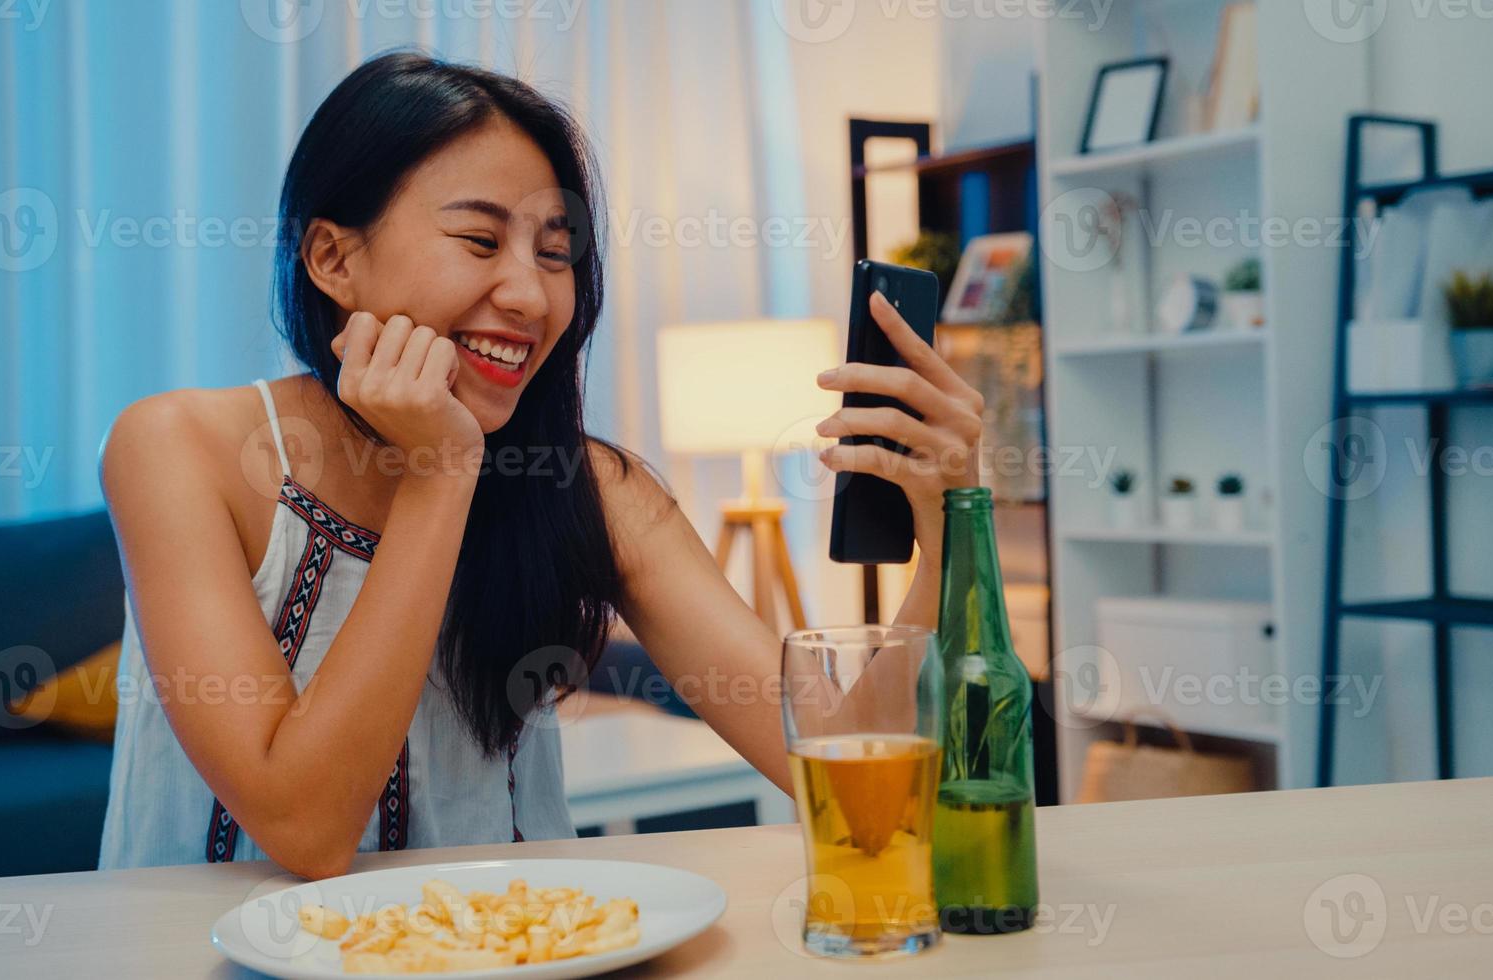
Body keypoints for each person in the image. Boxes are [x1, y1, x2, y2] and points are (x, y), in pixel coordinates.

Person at [97, 52, 984, 878]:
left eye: (554, 254)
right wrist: (442, 471)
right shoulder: (179, 452)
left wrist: (950, 526)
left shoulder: (596, 490)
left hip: (508, 954)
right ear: (334, 257)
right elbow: (304, 828)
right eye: (481, 243)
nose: (529, 295)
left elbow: (843, 772)